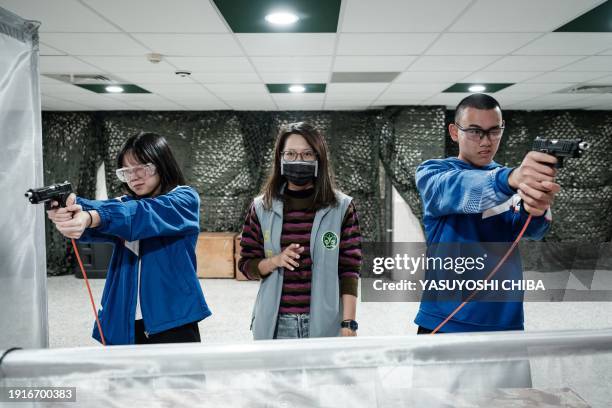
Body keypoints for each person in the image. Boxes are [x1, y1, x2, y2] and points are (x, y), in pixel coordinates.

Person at [414, 94, 561, 334]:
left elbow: (534, 230)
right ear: (454, 132)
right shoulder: (433, 173)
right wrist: (511, 180)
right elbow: (464, 189)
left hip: (505, 320)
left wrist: (537, 205)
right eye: (474, 131)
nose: (486, 141)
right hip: (445, 320)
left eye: (494, 131)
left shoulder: (512, 180)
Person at [47, 131, 211, 345]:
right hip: (126, 317)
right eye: (127, 171)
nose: (134, 177)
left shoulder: (184, 198)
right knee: (126, 379)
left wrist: (92, 216)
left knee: (180, 379)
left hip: (172, 316)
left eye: (142, 168)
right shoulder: (125, 204)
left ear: (162, 164)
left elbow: (140, 214)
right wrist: (71, 206)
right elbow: (107, 210)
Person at [239, 122, 362, 340]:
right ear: (280, 158)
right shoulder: (261, 207)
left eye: (307, 154)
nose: (299, 160)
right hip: (276, 324)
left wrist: (348, 323)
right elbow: (247, 266)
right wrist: (275, 261)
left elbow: (349, 270)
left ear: (318, 158)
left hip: (326, 322)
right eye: (291, 154)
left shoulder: (341, 207)